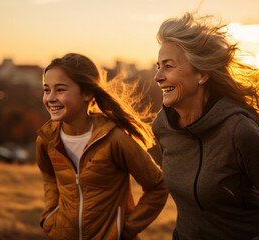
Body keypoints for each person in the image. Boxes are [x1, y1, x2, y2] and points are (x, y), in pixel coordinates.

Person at [152, 13, 259, 240]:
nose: (157, 77)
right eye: (158, 66)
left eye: (168, 66)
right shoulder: (163, 127)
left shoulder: (239, 130)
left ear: (202, 74)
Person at [36, 53, 168, 240]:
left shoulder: (115, 139)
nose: (50, 98)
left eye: (60, 90)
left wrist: (125, 230)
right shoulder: (46, 140)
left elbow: (158, 186)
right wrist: (49, 216)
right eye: (46, 90)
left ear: (87, 93)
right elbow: (49, 176)